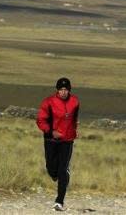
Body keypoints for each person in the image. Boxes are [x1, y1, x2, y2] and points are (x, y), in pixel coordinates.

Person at [36, 77, 80, 211]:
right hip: (51, 140)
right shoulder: (48, 102)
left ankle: (59, 201)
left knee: (62, 170)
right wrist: (51, 132)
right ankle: (55, 174)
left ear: (69, 90)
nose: (64, 92)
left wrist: (74, 130)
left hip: (67, 140)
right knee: (51, 167)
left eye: (66, 89)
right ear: (57, 90)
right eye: (61, 89)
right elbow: (40, 120)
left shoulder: (75, 102)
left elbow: (74, 118)